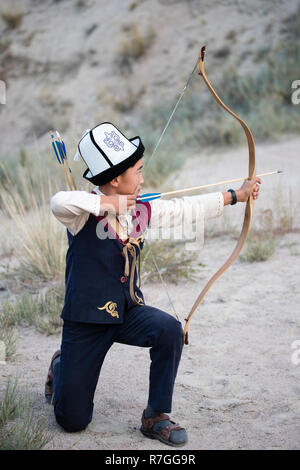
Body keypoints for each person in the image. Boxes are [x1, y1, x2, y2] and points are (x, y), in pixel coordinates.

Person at [45, 122, 261, 447]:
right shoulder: (81, 213)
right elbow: (58, 202)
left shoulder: (140, 210)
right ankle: (62, 365)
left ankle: (156, 415)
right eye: (138, 171)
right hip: (85, 322)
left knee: (169, 330)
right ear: (115, 179)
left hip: (128, 311)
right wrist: (108, 205)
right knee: (72, 421)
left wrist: (236, 196)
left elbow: (184, 208)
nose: (143, 179)